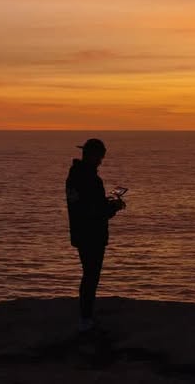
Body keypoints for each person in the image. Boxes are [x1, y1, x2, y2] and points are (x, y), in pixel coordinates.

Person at [65, 138, 125, 333]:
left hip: (81, 232)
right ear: (93, 156)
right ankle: (85, 318)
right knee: (91, 276)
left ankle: (86, 315)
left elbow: (87, 204)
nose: (101, 161)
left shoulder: (74, 175)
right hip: (92, 234)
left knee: (88, 274)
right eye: (100, 157)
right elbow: (96, 210)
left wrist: (104, 203)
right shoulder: (90, 179)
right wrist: (114, 206)